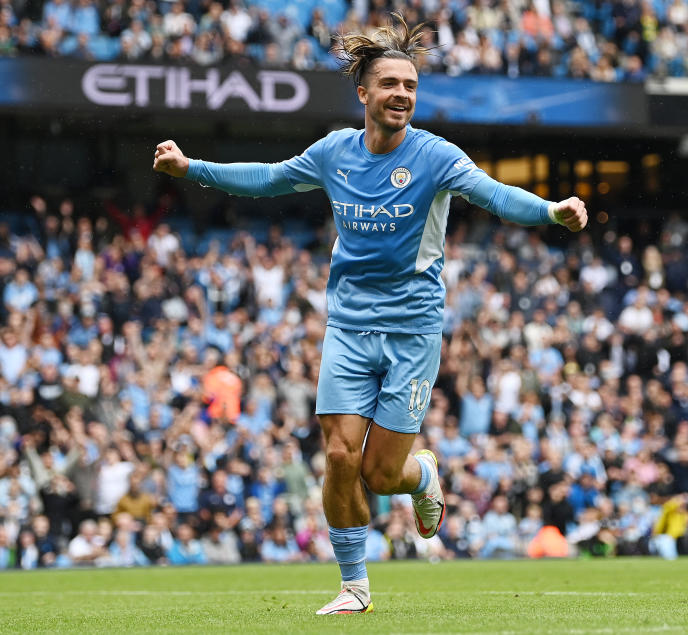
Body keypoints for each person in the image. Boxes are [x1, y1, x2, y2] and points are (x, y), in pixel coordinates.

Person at [152, 13, 587, 615]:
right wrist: (191, 168)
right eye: (390, 85)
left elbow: (495, 194)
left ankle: (422, 477)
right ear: (364, 93)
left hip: (412, 331)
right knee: (337, 456)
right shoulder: (335, 151)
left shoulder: (435, 156)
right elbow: (270, 180)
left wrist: (550, 211)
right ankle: (355, 587)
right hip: (349, 327)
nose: (402, 95)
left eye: (410, 87)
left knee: (382, 476)